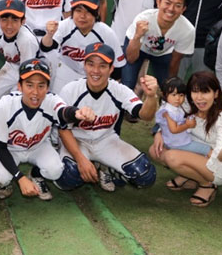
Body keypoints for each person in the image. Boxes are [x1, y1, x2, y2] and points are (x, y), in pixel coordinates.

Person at [55, 43, 160, 192]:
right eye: (91, 64)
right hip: (78, 141)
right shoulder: (70, 90)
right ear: (85, 66)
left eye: (102, 66)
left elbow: (145, 115)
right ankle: (92, 163)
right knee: (69, 176)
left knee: (145, 175)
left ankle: (107, 168)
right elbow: (63, 129)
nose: (95, 70)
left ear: (111, 69)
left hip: (106, 141)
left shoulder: (119, 90)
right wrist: (81, 159)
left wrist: (151, 96)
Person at [0, 59, 95, 201]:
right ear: (19, 86)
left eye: (41, 85)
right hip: (10, 150)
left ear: (47, 88)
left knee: (55, 171)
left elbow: (63, 111)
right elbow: (0, 148)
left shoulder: (51, 100)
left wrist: (77, 113)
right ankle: (7, 183)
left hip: (38, 147)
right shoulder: (5, 105)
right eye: (29, 85)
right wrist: (20, 178)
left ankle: (36, 174)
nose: (35, 92)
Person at [150, 72, 222, 207]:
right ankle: (190, 175)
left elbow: (221, 156)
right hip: (194, 152)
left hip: (217, 164)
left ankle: (207, 184)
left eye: (205, 92)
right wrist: (159, 133)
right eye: (195, 92)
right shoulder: (188, 106)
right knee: (155, 150)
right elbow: (169, 118)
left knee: (171, 157)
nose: (199, 98)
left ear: (216, 93)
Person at [40, 0, 125, 93]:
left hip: (94, 76)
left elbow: (118, 67)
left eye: (88, 12)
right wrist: (49, 35)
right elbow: (46, 47)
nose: (82, 16)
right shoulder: (65, 26)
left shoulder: (106, 33)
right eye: (78, 10)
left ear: (96, 13)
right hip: (67, 72)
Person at [122, 0, 195, 91]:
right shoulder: (143, 19)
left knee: (167, 88)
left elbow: (175, 61)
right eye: (167, 3)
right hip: (138, 48)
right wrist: (137, 36)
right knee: (128, 84)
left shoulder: (187, 30)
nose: (171, 9)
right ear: (158, 2)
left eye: (178, 5)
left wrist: (170, 85)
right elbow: (131, 59)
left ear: (183, 9)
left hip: (163, 54)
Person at [0, 0, 40, 110]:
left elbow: (28, 72)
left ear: (23, 21)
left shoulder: (27, 40)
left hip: (34, 70)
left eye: (15, 20)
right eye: (4, 19)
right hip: (11, 66)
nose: (9, 26)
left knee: (17, 105)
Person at [154, 77, 211, 156]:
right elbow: (174, 129)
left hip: (177, 140)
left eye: (181, 95)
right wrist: (187, 125)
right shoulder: (169, 111)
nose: (178, 98)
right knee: (206, 149)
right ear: (165, 94)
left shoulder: (173, 108)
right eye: (174, 95)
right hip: (177, 143)